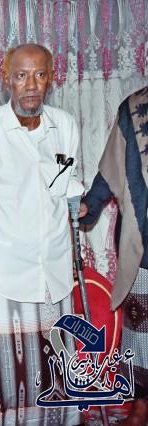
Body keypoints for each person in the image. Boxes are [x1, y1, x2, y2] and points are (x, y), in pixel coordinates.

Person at [0, 44, 82, 425]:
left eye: (40, 75)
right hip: (4, 274)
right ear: (6, 79)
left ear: (51, 78)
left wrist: (81, 200)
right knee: (11, 381)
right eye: (21, 76)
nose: (31, 85)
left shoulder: (65, 126)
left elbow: (64, 184)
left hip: (53, 273)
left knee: (58, 373)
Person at [80, 86, 148, 426]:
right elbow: (110, 170)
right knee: (140, 328)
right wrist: (88, 205)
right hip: (142, 239)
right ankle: (142, 406)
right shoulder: (134, 108)